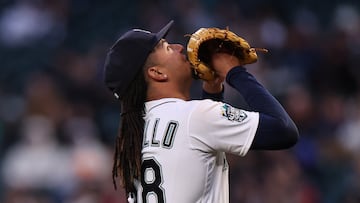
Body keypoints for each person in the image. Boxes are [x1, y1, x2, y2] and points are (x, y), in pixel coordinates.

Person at [103, 20, 299, 203]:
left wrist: (212, 90)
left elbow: (197, 146)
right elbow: (283, 131)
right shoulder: (194, 117)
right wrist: (235, 72)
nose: (179, 47)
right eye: (167, 47)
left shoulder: (135, 135)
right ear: (157, 73)